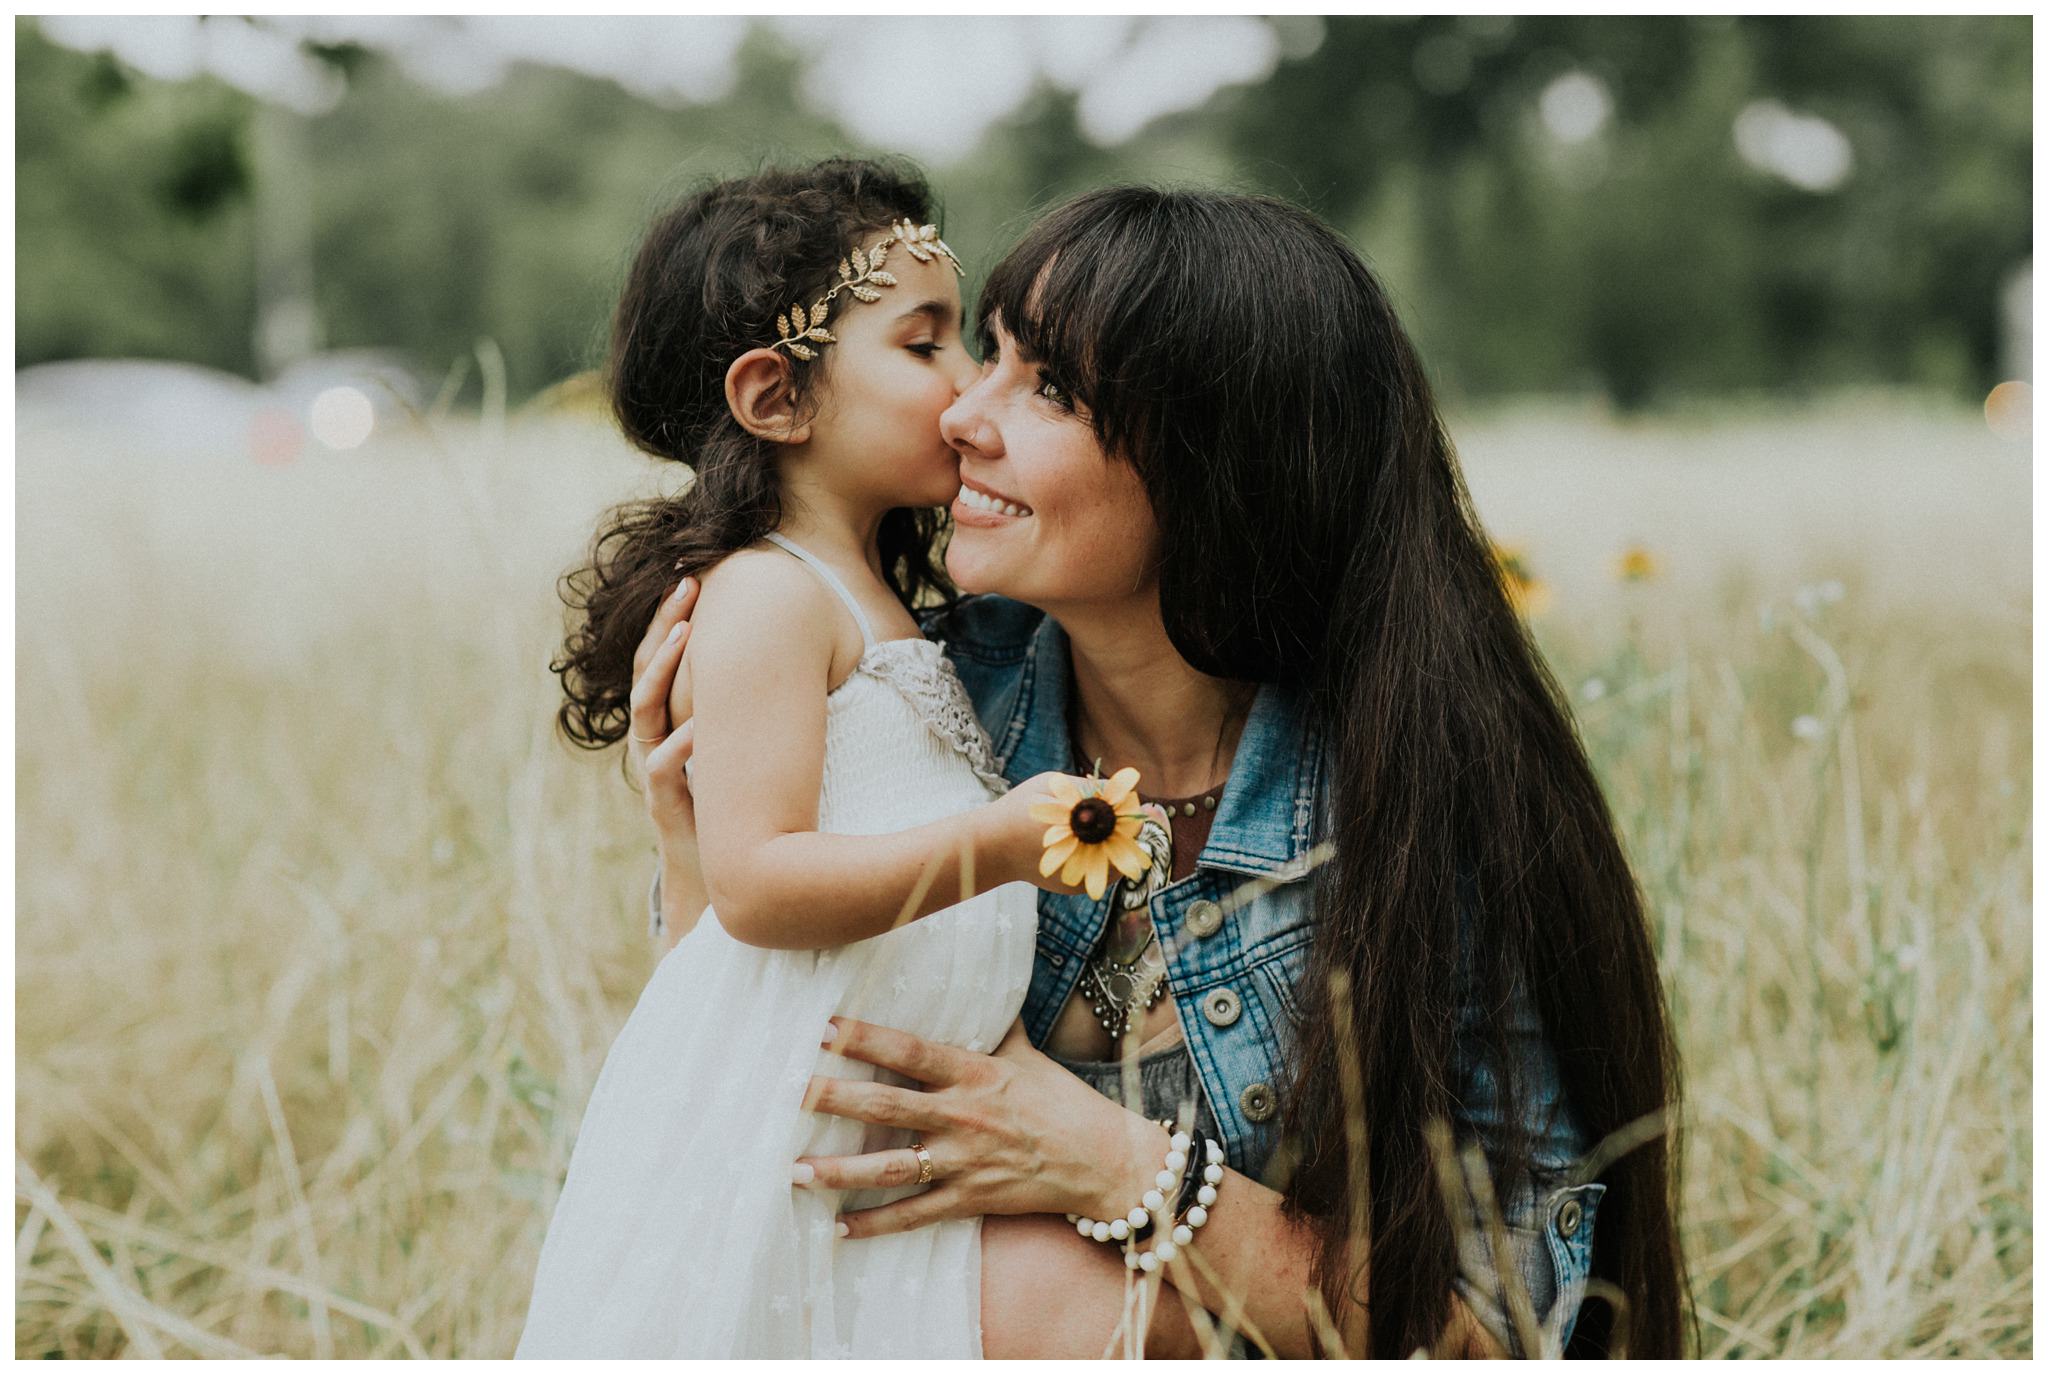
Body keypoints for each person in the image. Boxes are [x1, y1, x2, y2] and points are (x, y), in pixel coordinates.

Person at [632, 184, 1691, 1358]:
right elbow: (751, 1131)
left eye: (1049, 388)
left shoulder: (1413, 800)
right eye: (980, 352)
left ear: (1217, 467)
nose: (961, 413)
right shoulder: (915, 715)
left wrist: (1117, 1167)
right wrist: (696, 859)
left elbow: (1501, 1331)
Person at [521, 159, 1127, 1358]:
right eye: (926, 346)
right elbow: (755, 885)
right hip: (777, 1146)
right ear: (776, 396)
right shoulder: (765, 597)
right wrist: (1004, 844)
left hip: (863, 1156)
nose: (966, 397)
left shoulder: (885, 600)